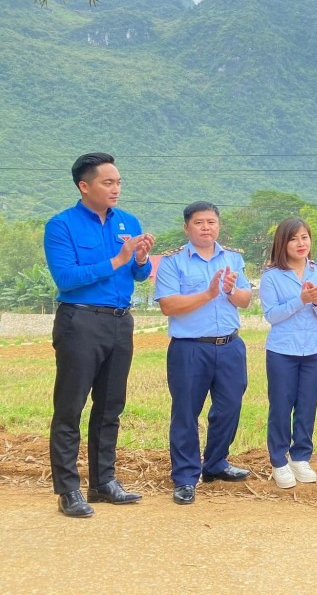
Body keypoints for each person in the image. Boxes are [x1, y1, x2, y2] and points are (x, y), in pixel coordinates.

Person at [43, 152, 154, 517]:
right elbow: (67, 278)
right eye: (108, 182)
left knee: (110, 407)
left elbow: (138, 277)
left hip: (121, 322)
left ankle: (104, 482)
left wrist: (138, 260)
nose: (116, 188)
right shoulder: (61, 225)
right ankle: (68, 489)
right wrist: (118, 260)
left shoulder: (128, 221)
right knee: (70, 407)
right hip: (80, 322)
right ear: (84, 185)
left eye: (119, 182)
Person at [154, 201, 253, 505]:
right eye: (199, 222)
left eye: (211, 221)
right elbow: (168, 305)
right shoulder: (173, 262)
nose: (206, 227)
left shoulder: (233, 259)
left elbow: (246, 299)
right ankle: (185, 477)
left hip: (230, 346)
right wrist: (208, 293)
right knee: (185, 412)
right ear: (187, 227)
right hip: (189, 348)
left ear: (219, 225)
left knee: (229, 407)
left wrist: (229, 291)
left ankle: (215, 463)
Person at [259, 218, 317, 489]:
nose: (301, 243)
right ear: (283, 243)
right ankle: (279, 460)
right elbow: (272, 316)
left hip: (313, 348)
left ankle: (300, 456)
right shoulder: (272, 276)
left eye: (305, 237)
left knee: (307, 405)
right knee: (281, 405)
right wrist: (299, 300)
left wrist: (315, 300)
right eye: (294, 239)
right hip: (282, 350)